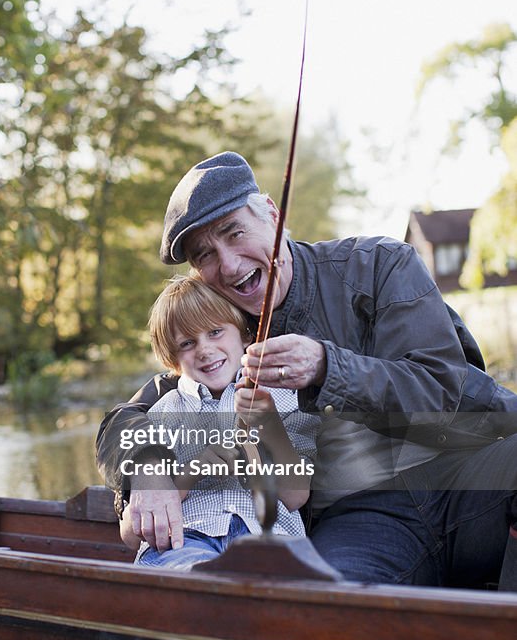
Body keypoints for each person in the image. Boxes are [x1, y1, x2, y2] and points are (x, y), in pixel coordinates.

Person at [97, 151, 517, 589]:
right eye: (205, 255)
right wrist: (146, 465)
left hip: (470, 471)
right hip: (365, 522)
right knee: (326, 610)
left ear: (273, 216)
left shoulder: (378, 265)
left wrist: (325, 365)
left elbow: (440, 389)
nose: (230, 264)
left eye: (235, 232)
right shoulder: (220, 338)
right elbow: (123, 421)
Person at [119, 274, 316, 570]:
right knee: (192, 576)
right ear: (173, 360)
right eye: (187, 343)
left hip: (266, 538)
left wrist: (270, 430)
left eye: (215, 332)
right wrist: (195, 469)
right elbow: (130, 535)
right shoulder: (158, 415)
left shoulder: (282, 398)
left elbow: (297, 495)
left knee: (280, 575)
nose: (204, 350)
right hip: (185, 542)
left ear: (246, 335)